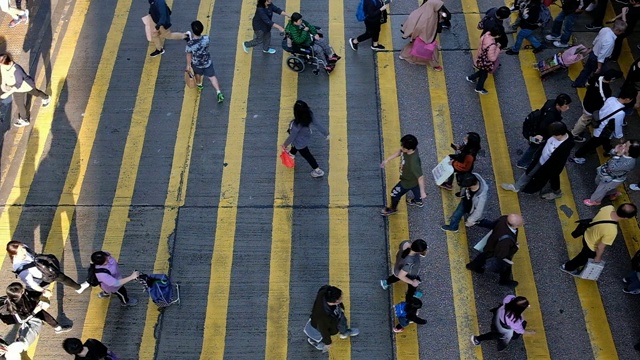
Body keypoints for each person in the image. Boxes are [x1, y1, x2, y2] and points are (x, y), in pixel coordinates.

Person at [503, 122, 574, 200]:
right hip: (540, 159)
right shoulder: (558, 132)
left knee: (553, 178)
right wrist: (541, 137)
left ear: (559, 134)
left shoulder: (565, 146)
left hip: (549, 167)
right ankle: (516, 186)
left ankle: (557, 192)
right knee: (529, 172)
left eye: (553, 135)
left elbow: (558, 163)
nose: (552, 136)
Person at [561, 203, 638, 274]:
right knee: (581, 258)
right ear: (626, 218)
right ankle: (567, 267)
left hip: (587, 233)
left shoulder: (608, 208)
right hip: (591, 246)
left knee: (582, 255)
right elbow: (600, 247)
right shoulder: (612, 231)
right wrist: (598, 258)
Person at [571, 87, 637, 164]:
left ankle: (609, 150)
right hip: (603, 131)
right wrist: (620, 136)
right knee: (591, 144)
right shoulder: (620, 113)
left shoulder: (611, 99)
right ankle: (577, 156)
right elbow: (617, 126)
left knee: (605, 141)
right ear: (628, 99)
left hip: (598, 123)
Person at [6, 241, 89, 295]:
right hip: (40, 279)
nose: (24, 250)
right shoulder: (21, 269)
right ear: (14, 255)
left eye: (23, 248)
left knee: (62, 277)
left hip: (45, 270)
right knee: (34, 295)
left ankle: (79, 288)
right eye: (21, 250)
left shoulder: (24, 247)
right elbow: (32, 283)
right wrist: (44, 291)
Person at [466, 214, 524, 288]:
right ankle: (504, 281)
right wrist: (515, 248)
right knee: (506, 267)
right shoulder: (506, 241)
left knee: (484, 255)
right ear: (515, 226)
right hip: (496, 250)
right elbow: (502, 255)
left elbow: (493, 225)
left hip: (491, 243)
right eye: (521, 223)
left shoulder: (503, 219)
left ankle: (473, 266)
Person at [518, 94, 571, 169]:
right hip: (538, 134)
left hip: (534, 128)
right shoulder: (551, 117)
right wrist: (541, 137)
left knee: (534, 147)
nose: (568, 108)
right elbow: (543, 128)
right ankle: (522, 163)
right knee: (533, 148)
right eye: (566, 106)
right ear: (558, 105)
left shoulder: (551, 102)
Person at [380, 134, 427, 216]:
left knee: (394, 193)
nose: (401, 148)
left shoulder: (413, 163)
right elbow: (400, 152)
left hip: (407, 181)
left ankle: (392, 209)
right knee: (416, 189)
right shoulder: (411, 149)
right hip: (412, 179)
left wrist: (423, 192)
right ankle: (418, 201)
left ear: (410, 149)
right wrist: (387, 160)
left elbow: (420, 177)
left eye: (403, 147)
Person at [571, 69, 623, 143]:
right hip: (591, 108)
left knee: (583, 117)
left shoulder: (597, 76)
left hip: (586, 100)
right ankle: (574, 134)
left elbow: (587, 84)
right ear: (612, 79)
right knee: (584, 121)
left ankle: (576, 129)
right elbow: (605, 103)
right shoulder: (606, 91)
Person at [0, 54, 51, 128]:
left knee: (35, 93)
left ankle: (46, 97)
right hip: (16, 88)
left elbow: (18, 85)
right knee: (20, 104)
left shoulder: (17, 70)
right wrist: (3, 84)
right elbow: (3, 74)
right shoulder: (3, 66)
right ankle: (24, 119)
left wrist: (7, 94)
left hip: (25, 86)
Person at [281, 100, 329, 178]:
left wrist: (284, 145)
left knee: (307, 155)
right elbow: (317, 124)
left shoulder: (295, 125)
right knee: (296, 145)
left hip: (300, 143)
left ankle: (317, 170)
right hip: (305, 136)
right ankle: (292, 154)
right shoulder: (309, 114)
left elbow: (292, 137)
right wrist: (326, 133)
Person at [584, 140, 640, 206]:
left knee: (601, 189)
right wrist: (615, 151)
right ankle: (613, 193)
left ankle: (595, 201)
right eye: (625, 143)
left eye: (626, 146)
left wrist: (617, 155)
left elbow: (612, 167)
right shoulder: (623, 153)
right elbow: (611, 154)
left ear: (630, 151)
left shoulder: (629, 163)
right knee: (598, 182)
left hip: (612, 179)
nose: (623, 145)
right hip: (606, 174)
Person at [572, 20, 627, 88]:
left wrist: (591, 49)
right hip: (597, 59)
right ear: (618, 30)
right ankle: (593, 85)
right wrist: (599, 67)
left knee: (587, 70)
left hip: (593, 54)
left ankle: (578, 83)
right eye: (622, 31)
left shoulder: (605, 29)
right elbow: (602, 56)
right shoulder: (610, 41)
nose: (622, 33)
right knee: (599, 74)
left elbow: (596, 39)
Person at [471, 295, 536, 351]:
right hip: (502, 327)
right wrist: (530, 332)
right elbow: (520, 331)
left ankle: (478, 339)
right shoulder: (515, 320)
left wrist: (524, 305)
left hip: (498, 316)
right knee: (509, 336)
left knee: (494, 332)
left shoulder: (508, 299)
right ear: (519, 310)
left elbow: (515, 302)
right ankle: (477, 339)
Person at [304, 285, 359, 353]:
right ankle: (314, 341)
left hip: (335, 317)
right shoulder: (322, 317)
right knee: (318, 334)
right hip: (322, 325)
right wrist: (328, 343)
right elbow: (324, 331)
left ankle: (344, 332)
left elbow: (325, 287)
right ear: (335, 302)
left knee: (342, 321)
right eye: (340, 298)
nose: (342, 298)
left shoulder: (324, 291)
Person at [4, 282, 71, 334]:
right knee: (41, 314)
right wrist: (34, 312)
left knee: (44, 313)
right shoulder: (12, 308)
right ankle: (57, 328)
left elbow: (31, 294)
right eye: (22, 289)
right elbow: (21, 320)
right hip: (25, 316)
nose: (24, 289)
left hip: (29, 307)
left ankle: (58, 328)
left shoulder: (21, 293)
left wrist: (43, 293)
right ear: (19, 294)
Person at [398, 0, 444, 71]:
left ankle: (404, 55)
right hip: (426, 37)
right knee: (431, 50)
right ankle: (435, 65)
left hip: (422, 36)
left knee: (414, 46)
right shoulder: (428, 17)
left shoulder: (426, 10)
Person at [185, 20, 224, 103]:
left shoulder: (190, 44)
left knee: (197, 74)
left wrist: (188, 65)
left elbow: (189, 55)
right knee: (212, 77)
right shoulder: (206, 38)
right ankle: (218, 92)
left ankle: (199, 84)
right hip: (207, 62)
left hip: (197, 64)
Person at [466, 27, 503, 95]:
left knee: (482, 71)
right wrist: (498, 49)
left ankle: (471, 78)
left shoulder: (485, 35)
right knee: (484, 75)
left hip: (480, 57)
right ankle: (479, 88)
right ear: (497, 35)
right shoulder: (492, 45)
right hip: (486, 62)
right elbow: (492, 58)